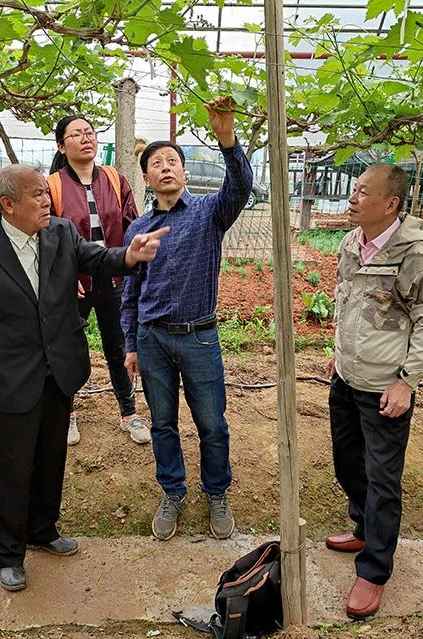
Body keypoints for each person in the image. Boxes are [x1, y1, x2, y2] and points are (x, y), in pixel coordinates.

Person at [0, 164, 168, 592]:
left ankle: (42, 529)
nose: (47, 200)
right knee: (9, 470)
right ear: (8, 205)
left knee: (50, 460)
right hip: (8, 382)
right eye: (36, 195)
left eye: (47, 192)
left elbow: (97, 258)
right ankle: (9, 553)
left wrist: (130, 255)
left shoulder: (60, 234)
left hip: (57, 374)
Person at [120, 96, 253, 541]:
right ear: (146, 178)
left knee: (212, 422)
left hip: (199, 338)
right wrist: (130, 345)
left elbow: (240, 188)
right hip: (153, 339)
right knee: (162, 423)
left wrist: (227, 140)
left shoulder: (209, 213)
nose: (166, 167)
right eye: (156, 162)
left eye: (172, 160)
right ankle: (172, 491)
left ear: (184, 171)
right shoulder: (137, 229)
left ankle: (217, 492)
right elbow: (131, 292)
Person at [325, 163, 423, 619]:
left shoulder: (415, 253)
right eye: (353, 190)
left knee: (382, 480)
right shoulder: (349, 243)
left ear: (390, 203)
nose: (352, 198)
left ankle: (374, 570)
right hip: (347, 377)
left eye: (361, 191)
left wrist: (406, 381)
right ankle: (363, 526)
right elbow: (349, 303)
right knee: (346, 462)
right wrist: (340, 352)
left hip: (385, 389)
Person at [48, 115, 150, 447]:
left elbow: (131, 224)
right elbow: (44, 237)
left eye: (89, 132)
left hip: (113, 279)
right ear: (62, 146)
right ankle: (65, 415)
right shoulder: (52, 186)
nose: (85, 138)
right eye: (75, 134)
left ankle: (129, 413)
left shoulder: (114, 178)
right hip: (74, 284)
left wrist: (134, 266)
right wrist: (62, 276)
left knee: (119, 347)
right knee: (67, 350)